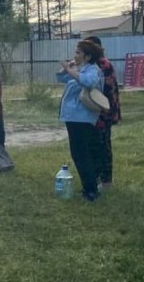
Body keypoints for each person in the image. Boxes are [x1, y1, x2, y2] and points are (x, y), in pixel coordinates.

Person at [57, 40, 105, 201]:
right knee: (80, 152)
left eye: (78, 53)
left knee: (81, 153)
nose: (75, 55)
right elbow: (61, 78)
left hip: (82, 118)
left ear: (88, 56)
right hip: (73, 117)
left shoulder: (93, 70)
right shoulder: (80, 68)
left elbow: (88, 82)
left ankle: (91, 190)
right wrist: (67, 68)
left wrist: (72, 72)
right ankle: (89, 186)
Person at [84, 36, 121, 189]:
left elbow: (100, 90)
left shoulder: (102, 65)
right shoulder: (100, 64)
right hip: (101, 112)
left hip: (103, 113)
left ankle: (106, 181)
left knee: (102, 146)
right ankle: (99, 178)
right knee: (97, 145)